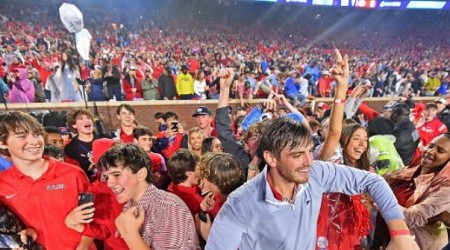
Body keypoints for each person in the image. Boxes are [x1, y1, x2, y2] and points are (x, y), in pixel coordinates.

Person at [205, 49, 419, 250]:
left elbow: (373, 181)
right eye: (297, 155)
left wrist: (400, 232)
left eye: (309, 151)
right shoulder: (240, 203)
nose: (308, 161)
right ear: (271, 157)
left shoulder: (316, 173)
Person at [0, 112, 107, 249]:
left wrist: (83, 247)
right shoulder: (2, 185)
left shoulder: (73, 174)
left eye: (37, 134)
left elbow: (96, 220)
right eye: (22, 136)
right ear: (3, 143)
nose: (34, 142)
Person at [99, 143, 200, 249]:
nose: (109, 183)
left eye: (116, 174)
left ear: (141, 174)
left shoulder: (168, 207)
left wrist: (130, 234)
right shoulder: (130, 205)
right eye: (107, 177)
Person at [374, 133, 450, 250]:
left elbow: (414, 217)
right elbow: (381, 181)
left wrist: (378, 200)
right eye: (430, 146)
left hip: (419, 244)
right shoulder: (410, 171)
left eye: (440, 151)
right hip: (388, 238)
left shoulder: (445, 188)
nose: (430, 151)